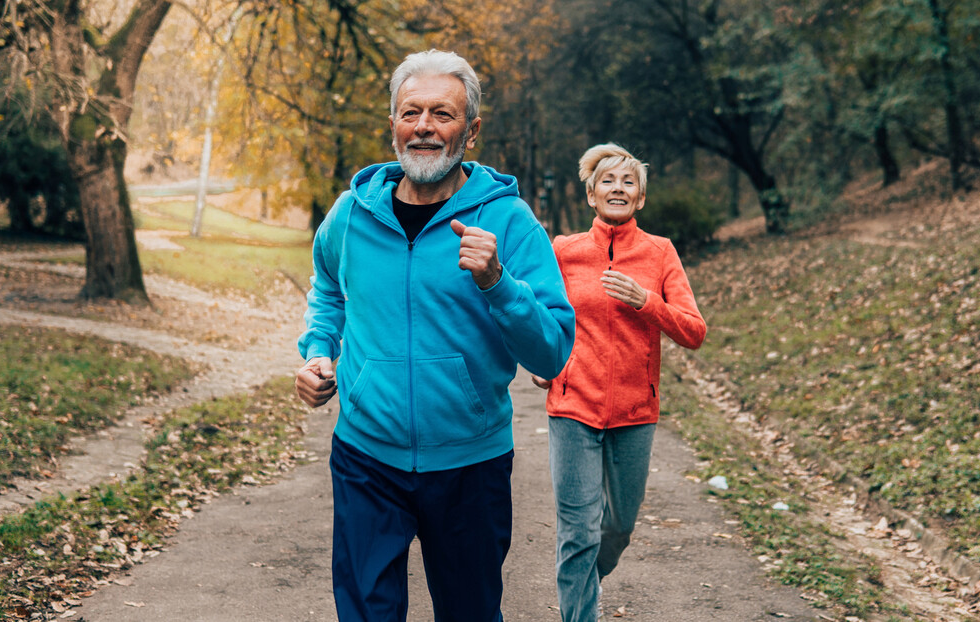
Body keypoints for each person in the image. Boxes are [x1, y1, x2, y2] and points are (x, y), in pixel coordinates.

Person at [294, 49, 575, 622]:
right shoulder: (351, 214)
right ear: (393, 124)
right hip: (366, 458)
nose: (423, 126)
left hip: (471, 465)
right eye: (410, 112)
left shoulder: (509, 221)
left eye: (442, 115)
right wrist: (319, 351)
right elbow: (328, 288)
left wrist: (498, 283)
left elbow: (553, 348)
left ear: (470, 131)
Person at [532, 144, 706, 621]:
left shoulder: (660, 253)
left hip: (634, 411)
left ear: (641, 199)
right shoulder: (564, 251)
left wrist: (646, 301)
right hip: (572, 405)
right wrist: (545, 358)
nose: (618, 189)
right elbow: (545, 316)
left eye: (628, 182)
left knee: (618, 527)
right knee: (578, 532)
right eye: (608, 181)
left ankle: (587, 578)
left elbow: (694, 331)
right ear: (591, 195)